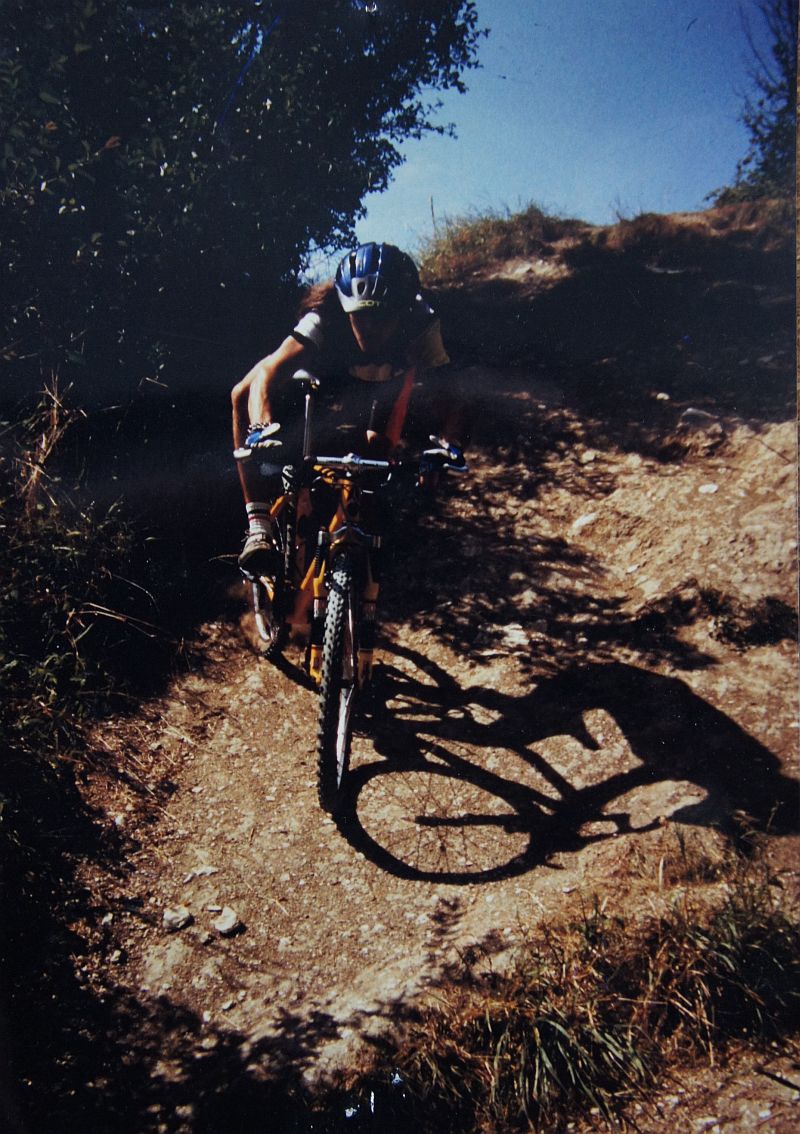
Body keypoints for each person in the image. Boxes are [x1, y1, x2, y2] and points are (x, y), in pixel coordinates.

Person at [231, 241, 466, 573]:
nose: (370, 327)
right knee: (241, 394)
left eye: (382, 317)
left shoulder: (421, 324)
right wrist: (261, 427)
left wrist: (449, 444)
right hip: (324, 378)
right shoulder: (324, 315)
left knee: (375, 454)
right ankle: (259, 526)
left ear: (403, 310)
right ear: (344, 305)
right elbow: (268, 374)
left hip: (383, 386)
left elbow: (451, 397)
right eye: (360, 316)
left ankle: (353, 555)